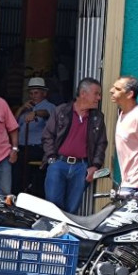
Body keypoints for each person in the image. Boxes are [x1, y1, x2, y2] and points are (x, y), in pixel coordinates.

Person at [42, 78, 107, 214]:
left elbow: (102, 143)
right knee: (52, 207)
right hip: (59, 164)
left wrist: (95, 166)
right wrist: (52, 159)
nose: (99, 98)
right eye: (96, 94)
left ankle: (67, 235)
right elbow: (47, 135)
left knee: (72, 210)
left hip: (81, 167)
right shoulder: (61, 111)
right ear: (83, 93)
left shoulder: (97, 117)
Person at [111, 76, 138, 195]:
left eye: (117, 89)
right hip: (128, 184)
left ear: (130, 94)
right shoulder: (122, 114)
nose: (111, 90)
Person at [13, 77, 56, 196]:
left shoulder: (49, 107)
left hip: (36, 148)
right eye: (31, 93)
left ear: (44, 93)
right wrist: (21, 109)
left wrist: (36, 113)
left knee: (29, 175)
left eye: (36, 93)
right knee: (15, 172)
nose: (33, 96)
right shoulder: (26, 108)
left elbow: (47, 114)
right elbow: (13, 124)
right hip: (21, 147)